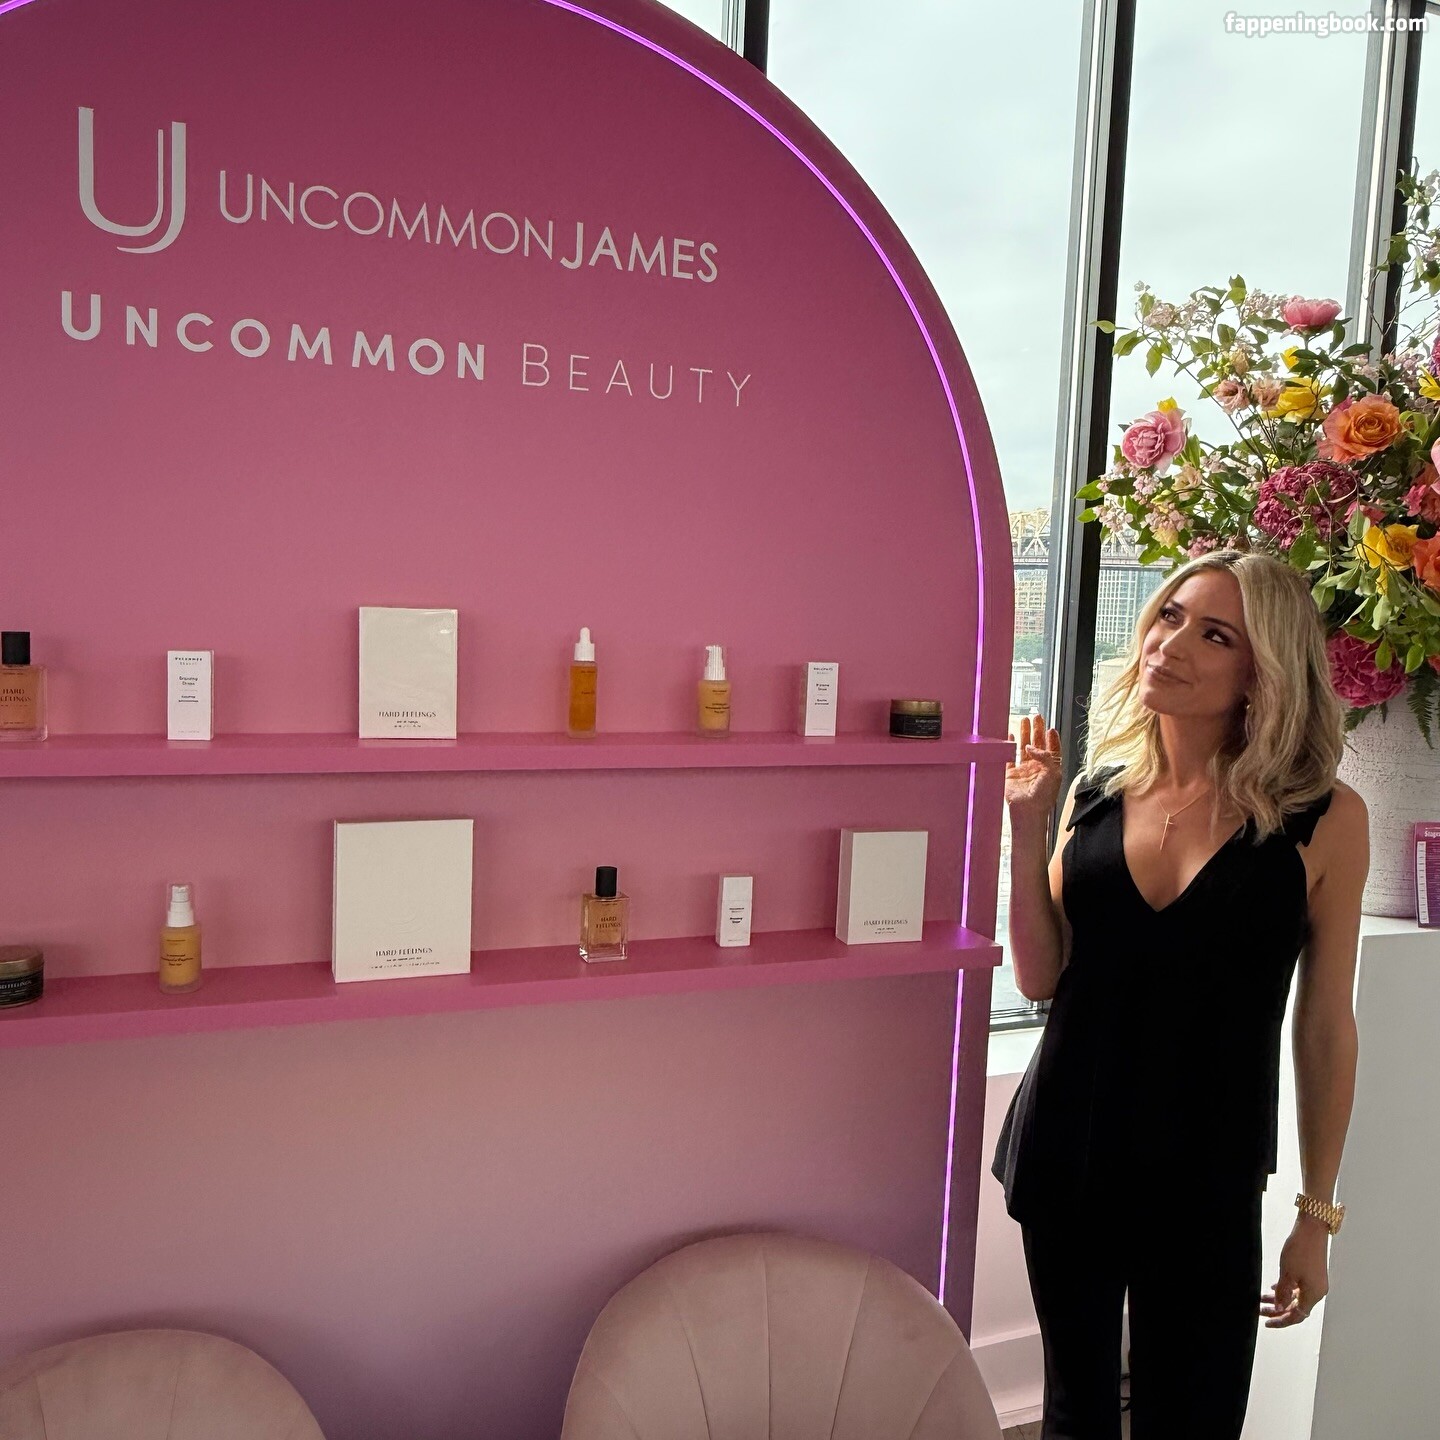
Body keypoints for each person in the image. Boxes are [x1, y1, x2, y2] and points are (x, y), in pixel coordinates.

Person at [992, 549, 1367, 1440]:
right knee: (1075, 1416)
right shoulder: (1095, 792)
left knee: (1195, 1420)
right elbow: (1040, 977)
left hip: (1208, 1172)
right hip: (1069, 1147)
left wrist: (1316, 1215)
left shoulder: (1323, 818)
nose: (1171, 644)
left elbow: (1323, 1025)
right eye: (1169, 616)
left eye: (1215, 635)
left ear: (1262, 672)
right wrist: (1027, 827)